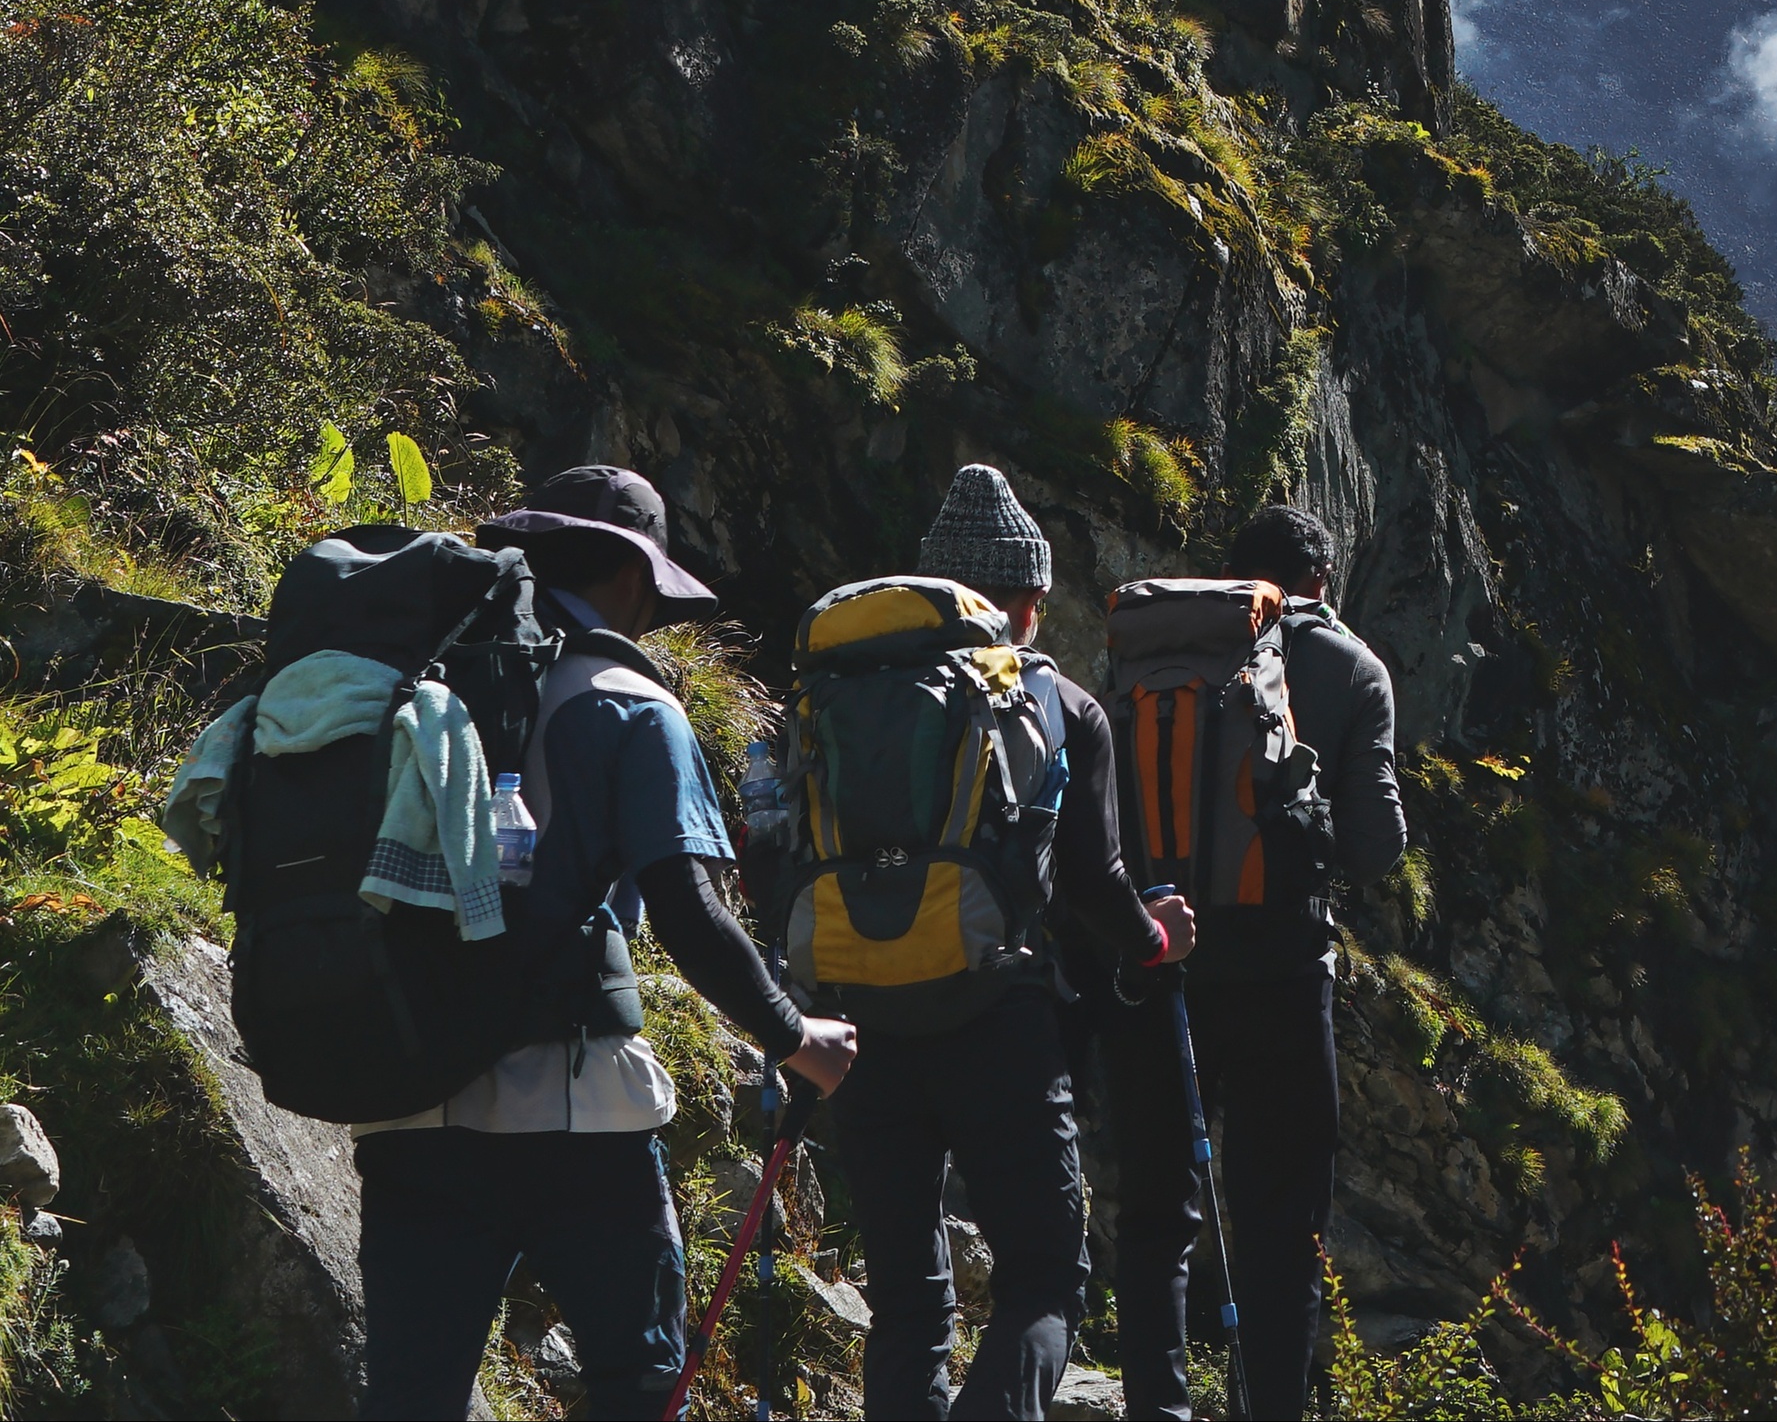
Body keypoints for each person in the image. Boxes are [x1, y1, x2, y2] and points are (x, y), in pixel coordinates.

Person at [353, 465, 859, 1422]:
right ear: (634, 576)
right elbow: (690, 911)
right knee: (638, 1374)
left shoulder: (409, 678)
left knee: (412, 1396)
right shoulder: (626, 701)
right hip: (571, 1104)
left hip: (407, 1091)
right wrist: (795, 1036)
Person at [829, 463, 1198, 1422]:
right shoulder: (1062, 705)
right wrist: (1156, 939)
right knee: (1043, 1277)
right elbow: (1098, 885)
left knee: (907, 1295)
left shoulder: (845, 686)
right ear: (1030, 602)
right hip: (998, 1022)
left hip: (862, 1020)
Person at [1104, 501, 1405, 1422]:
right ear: (1322, 581)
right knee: (1281, 1224)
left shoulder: (1155, 653)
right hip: (1279, 972)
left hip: (1160, 960)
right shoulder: (1353, 668)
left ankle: (1157, 1405)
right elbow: (1376, 847)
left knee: (1155, 1215)